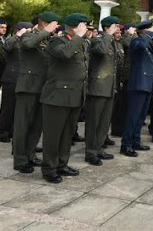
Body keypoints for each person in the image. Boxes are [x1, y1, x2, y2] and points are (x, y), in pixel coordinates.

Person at [40, 13, 90, 183]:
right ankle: (49, 168)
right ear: (74, 26)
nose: (86, 29)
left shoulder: (79, 42)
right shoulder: (57, 41)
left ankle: (62, 164)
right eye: (83, 25)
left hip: (75, 95)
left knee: (67, 133)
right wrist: (79, 37)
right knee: (53, 135)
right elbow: (64, 54)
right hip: (57, 96)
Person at [12, 12, 59, 174]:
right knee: (22, 124)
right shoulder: (28, 34)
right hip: (28, 86)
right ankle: (19, 159)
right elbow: (28, 45)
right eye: (52, 23)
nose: (55, 26)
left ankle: (30, 154)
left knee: (37, 125)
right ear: (42, 22)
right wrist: (46, 31)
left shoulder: (48, 40)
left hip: (44, 87)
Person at [84, 16, 120, 166]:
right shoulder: (99, 40)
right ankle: (90, 152)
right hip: (97, 88)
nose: (118, 28)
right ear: (106, 27)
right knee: (94, 121)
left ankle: (98, 148)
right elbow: (101, 51)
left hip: (109, 87)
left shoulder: (112, 42)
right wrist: (107, 35)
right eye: (115, 26)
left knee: (104, 122)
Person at [121, 20, 153, 157]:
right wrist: (146, 36)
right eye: (151, 29)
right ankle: (126, 144)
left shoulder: (148, 43)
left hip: (146, 84)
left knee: (141, 116)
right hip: (138, 84)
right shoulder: (137, 41)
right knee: (133, 116)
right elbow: (139, 47)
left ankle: (136, 140)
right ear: (144, 30)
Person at [0, 22, 31, 143]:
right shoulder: (13, 40)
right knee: (8, 107)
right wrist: (18, 35)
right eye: (26, 29)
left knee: (18, 108)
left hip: (24, 78)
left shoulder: (28, 42)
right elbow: (7, 46)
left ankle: (13, 130)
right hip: (11, 78)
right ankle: (3, 132)